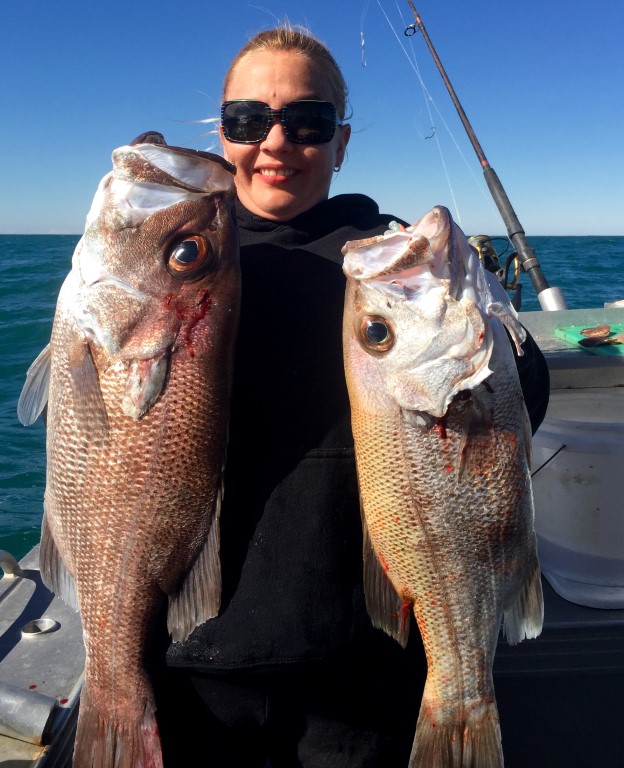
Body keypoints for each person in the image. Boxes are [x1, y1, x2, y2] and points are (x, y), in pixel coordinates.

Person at [154, 24, 550, 767]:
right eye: (249, 120)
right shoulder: (176, 267)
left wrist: (489, 322)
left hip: (364, 664)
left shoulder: (386, 258)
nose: (276, 143)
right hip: (191, 664)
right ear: (222, 133)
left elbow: (520, 403)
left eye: (308, 122)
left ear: (340, 142)